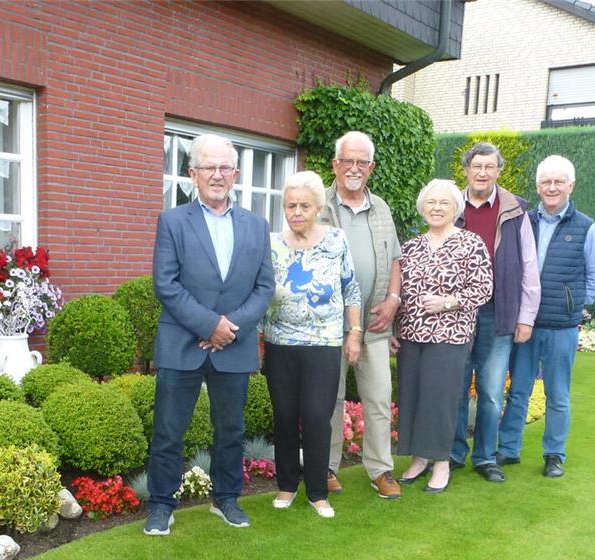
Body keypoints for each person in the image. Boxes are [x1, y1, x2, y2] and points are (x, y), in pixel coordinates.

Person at [144, 133, 275, 536]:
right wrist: (209, 326)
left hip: (233, 346)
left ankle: (227, 498)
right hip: (182, 343)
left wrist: (228, 329)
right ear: (192, 174)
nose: (217, 175)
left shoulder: (257, 225)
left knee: (231, 429)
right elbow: (166, 284)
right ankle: (162, 505)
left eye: (224, 168)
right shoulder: (172, 221)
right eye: (208, 168)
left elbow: (264, 288)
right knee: (168, 429)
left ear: (235, 174)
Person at [497, 155, 595, 478]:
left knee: (558, 394)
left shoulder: (586, 227)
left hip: (562, 327)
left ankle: (554, 455)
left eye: (559, 182)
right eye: (546, 182)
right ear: (537, 186)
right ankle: (508, 449)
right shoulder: (522, 222)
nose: (552, 187)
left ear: (571, 186)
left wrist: (572, 305)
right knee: (518, 391)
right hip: (524, 325)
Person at [263, 170, 362, 519]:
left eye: (304, 205)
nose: (297, 212)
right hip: (280, 344)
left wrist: (354, 332)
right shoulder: (272, 243)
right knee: (286, 416)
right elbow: (260, 290)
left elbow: (351, 288)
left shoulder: (336, 240)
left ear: (319, 207)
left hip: (323, 344)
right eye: (291, 205)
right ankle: (287, 486)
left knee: (318, 416)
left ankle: (318, 491)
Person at [318, 131, 403, 500]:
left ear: (372, 167)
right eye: (347, 161)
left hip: (375, 324)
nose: (354, 168)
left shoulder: (381, 208)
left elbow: (396, 259)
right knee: (329, 399)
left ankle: (381, 470)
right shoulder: (319, 205)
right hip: (328, 325)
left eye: (362, 162)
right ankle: (326, 467)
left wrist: (394, 299)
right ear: (335, 164)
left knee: (379, 398)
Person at [448, 142, 540, 483]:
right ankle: (455, 452)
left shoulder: (515, 211)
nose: (482, 172)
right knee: (456, 387)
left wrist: (525, 316)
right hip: (455, 313)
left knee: (489, 391)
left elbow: (529, 265)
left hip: (497, 313)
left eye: (489, 167)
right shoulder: (451, 205)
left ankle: (486, 457)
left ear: (498, 170)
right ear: (467, 170)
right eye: (476, 166)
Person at [393, 179, 493, 493]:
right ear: (423, 208)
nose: (436, 208)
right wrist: (395, 329)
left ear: (455, 208)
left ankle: (441, 463)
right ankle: (419, 459)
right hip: (411, 334)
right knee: (413, 395)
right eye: (431, 203)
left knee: (440, 398)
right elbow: (399, 291)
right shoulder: (410, 247)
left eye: (444, 203)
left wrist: (448, 302)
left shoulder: (470, 243)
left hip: (450, 335)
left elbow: (483, 288)